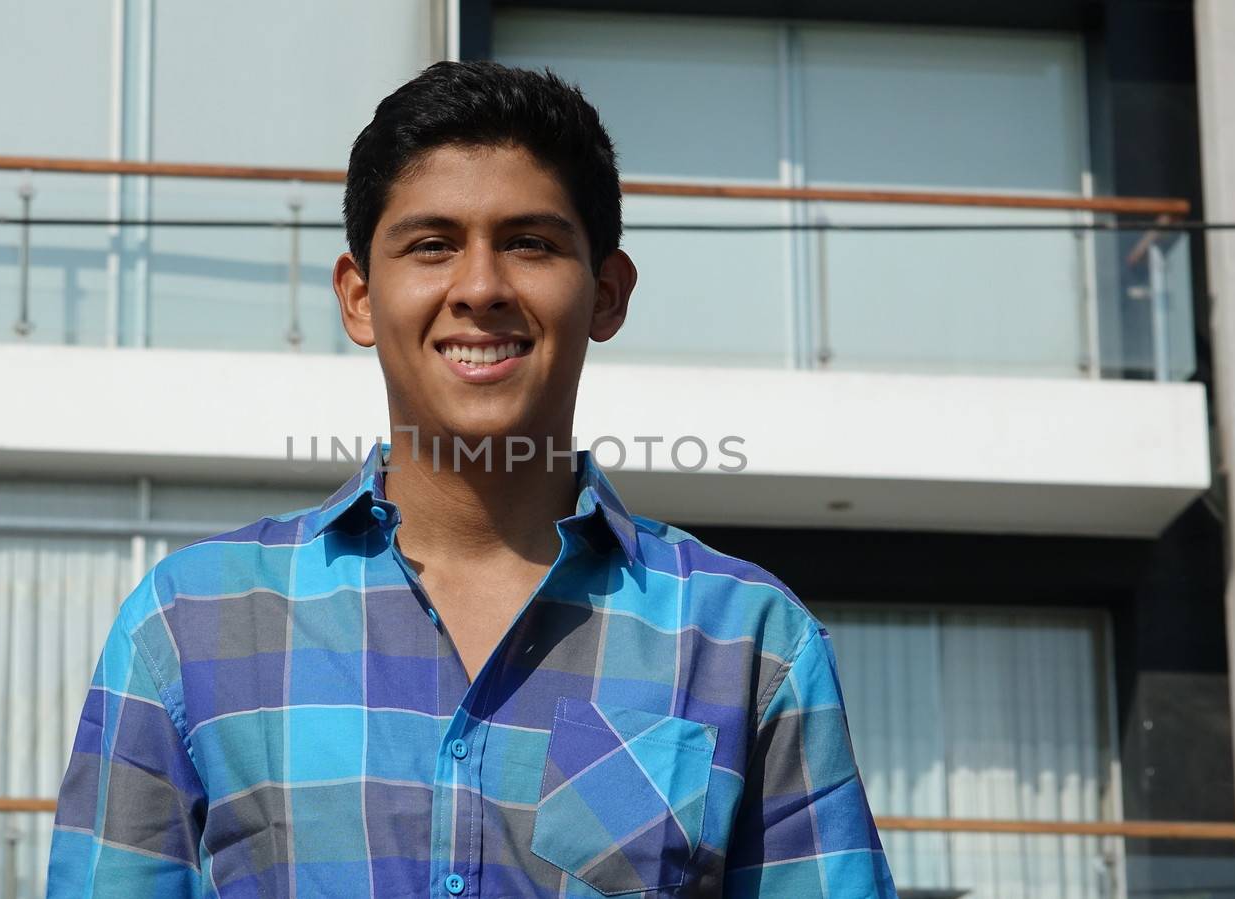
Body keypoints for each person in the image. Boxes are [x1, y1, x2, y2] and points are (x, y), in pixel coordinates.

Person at [47, 61, 896, 898]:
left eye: (529, 243)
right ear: (358, 297)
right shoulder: (191, 625)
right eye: (432, 245)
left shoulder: (748, 645)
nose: (481, 287)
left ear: (606, 293)